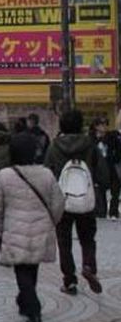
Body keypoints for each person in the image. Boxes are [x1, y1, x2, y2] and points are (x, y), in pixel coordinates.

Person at [0, 130, 64, 322]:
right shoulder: (46, 174)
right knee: (32, 268)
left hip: (14, 229)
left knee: (21, 270)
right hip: (40, 228)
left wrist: (0, 229)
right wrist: (50, 222)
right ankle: (25, 302)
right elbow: (58, 203)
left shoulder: (5, 175)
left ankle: (34, 310)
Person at [44, 109, 109, 295]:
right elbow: (102, 172)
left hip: (62, 200)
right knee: (88, 238)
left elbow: (47, 172)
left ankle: (69, 281)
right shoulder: (90, 144)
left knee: (64, 242)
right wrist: (101, 187)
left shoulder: (55, 146)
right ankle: (89, 266)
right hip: (86, 199)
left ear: (62, 125)